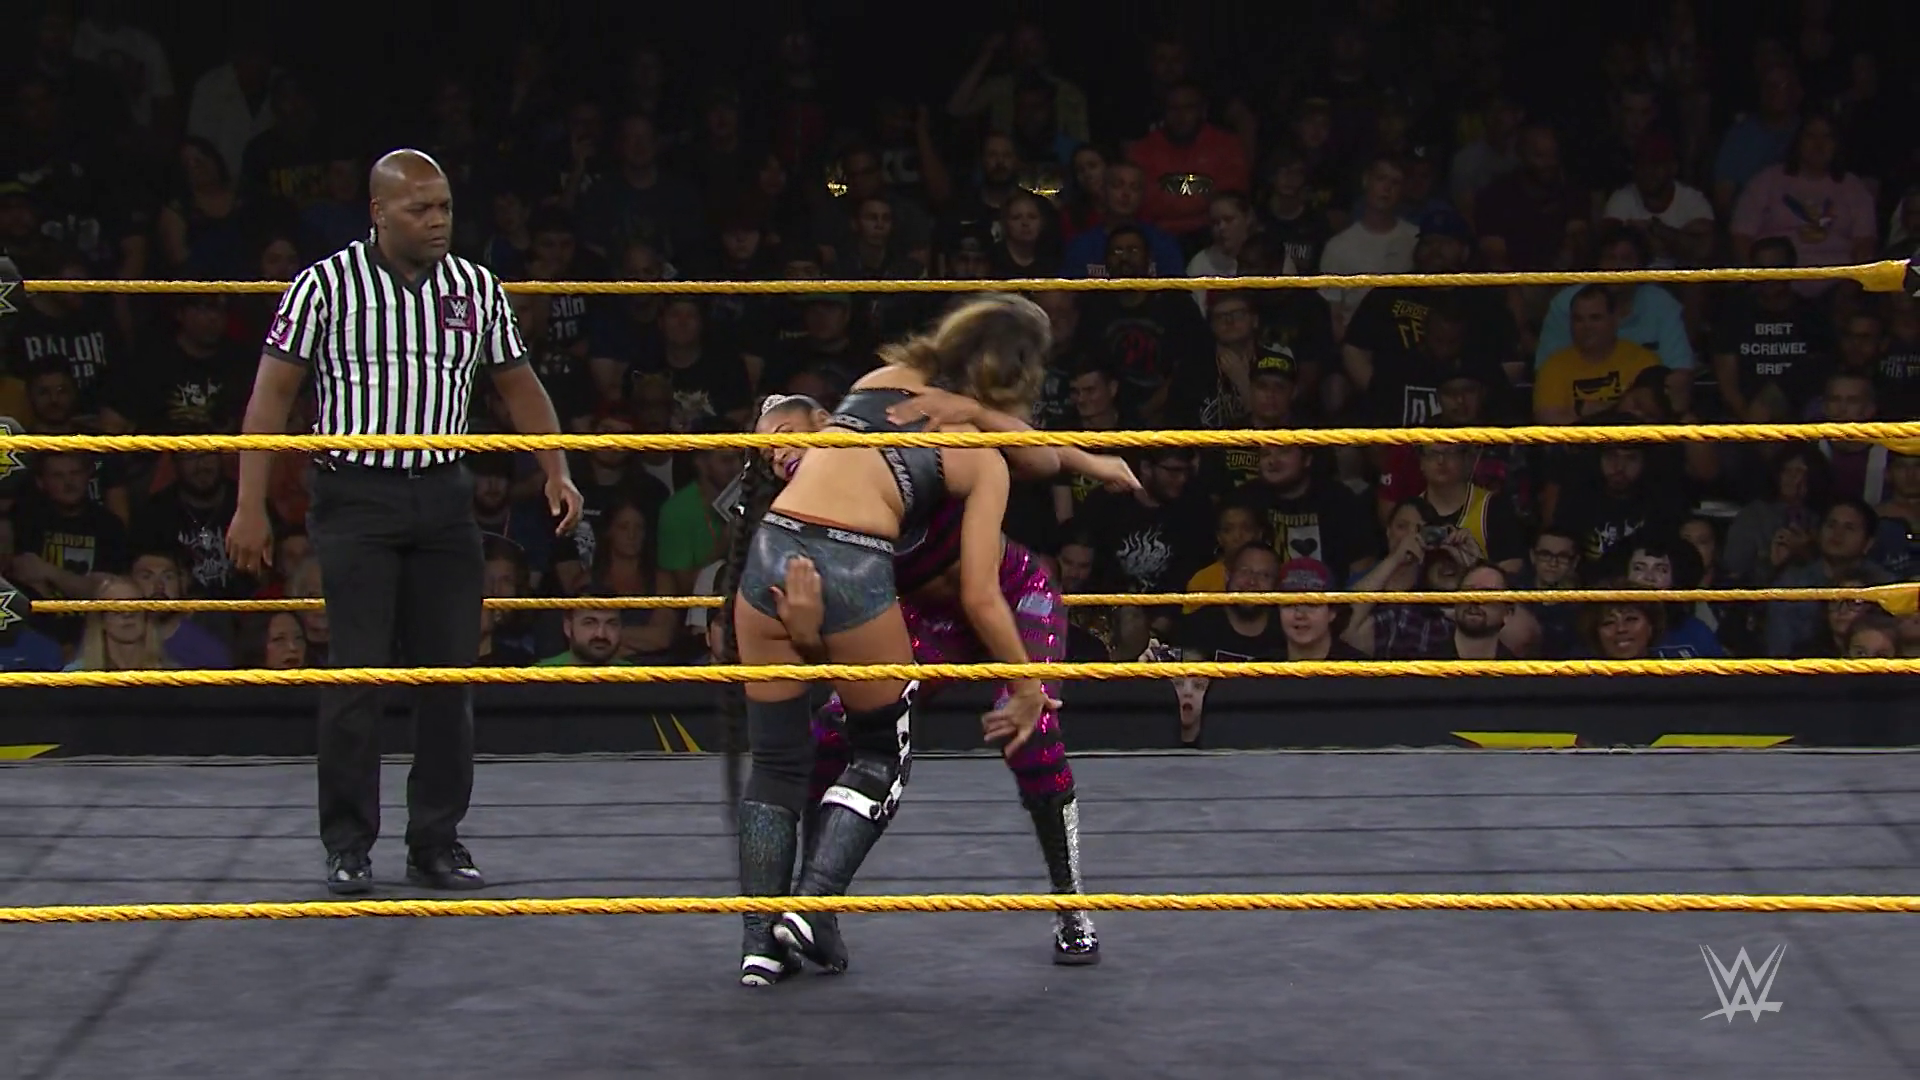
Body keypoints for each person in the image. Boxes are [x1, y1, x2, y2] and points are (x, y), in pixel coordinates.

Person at [225, 149, 584, 896]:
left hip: (445, 497)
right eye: (420, 209)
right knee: (356, 675)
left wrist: (556, 468)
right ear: (379, 213)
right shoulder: (324, 286)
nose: (437, 221)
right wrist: (249, 502)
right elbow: (271, 396)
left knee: (448, 676)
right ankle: (348, 844)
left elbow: (519, 385)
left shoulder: (475, 287)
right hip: (355, 496)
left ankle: (436, 842)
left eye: (444, 207)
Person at [720, 294, 1063, 986]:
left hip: (771, 549)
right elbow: (981, 591)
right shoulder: (981, 457)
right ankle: (812, 906)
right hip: (849, 561)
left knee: (777, 760)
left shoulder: (875, 382)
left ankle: (759, 943)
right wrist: (1028, 684)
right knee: (879, 753)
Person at [748, 383, 1139, 968]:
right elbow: (822, 648)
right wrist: (805, 632)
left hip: (1011, 597)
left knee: (1033, 735)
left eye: (784, 436)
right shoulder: (803, 522)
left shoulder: (903, 445)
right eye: (764, 455)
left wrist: (1093, 463)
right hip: (925, 620)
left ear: (828, 421)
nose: (777, 455)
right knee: (832, 733)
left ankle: (1072, 905)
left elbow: (1017, 448)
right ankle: (816, 906)